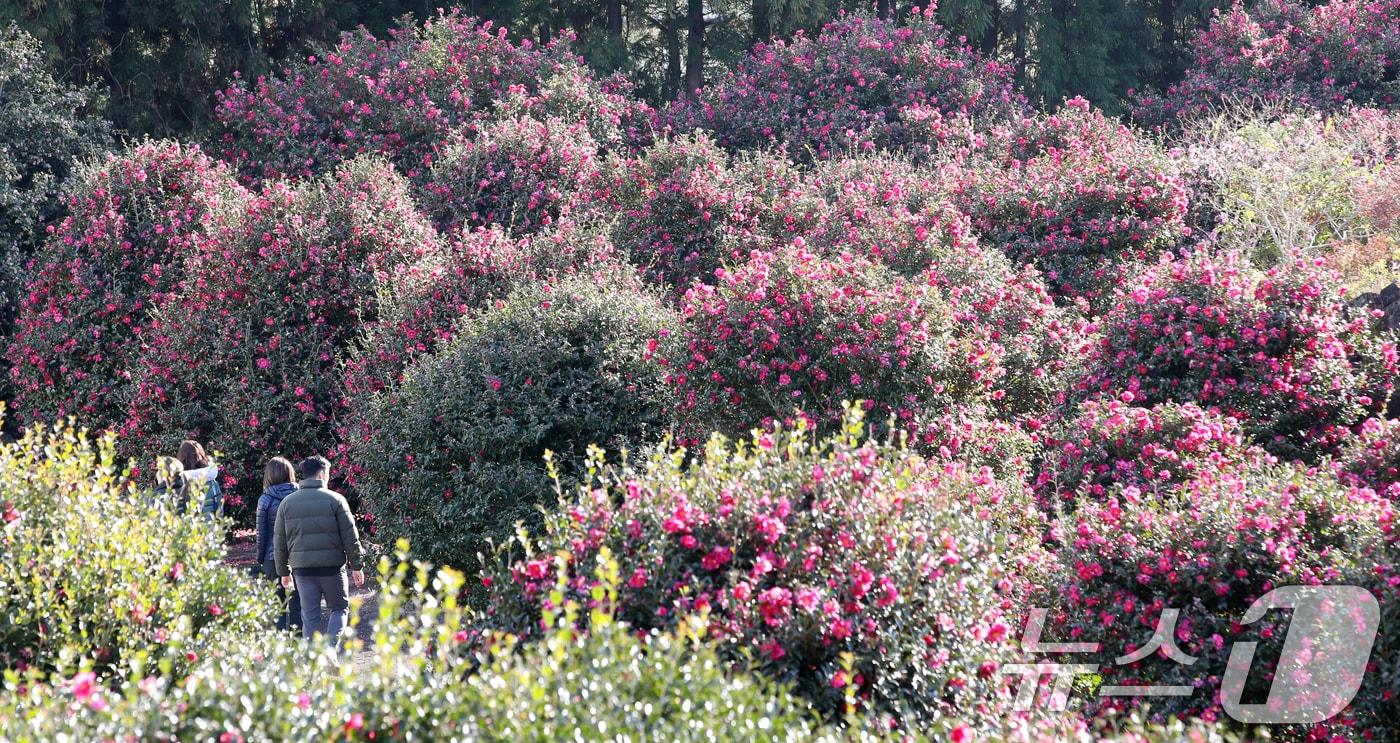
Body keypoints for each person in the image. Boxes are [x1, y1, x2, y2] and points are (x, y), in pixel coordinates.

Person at [273, 456, 366, 645]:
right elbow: (350, 537)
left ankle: (313, 663)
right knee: (340, 608)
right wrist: (357, 566)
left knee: (310, 616)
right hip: (332, 568)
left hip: (302, 570)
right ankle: (330, 649)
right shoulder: (336, 500)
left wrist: (283, 571)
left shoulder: (287, 503)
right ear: (322, 473)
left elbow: (280, 542)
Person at [255, 457, 301, 632]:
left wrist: (260, 558)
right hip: (297, 555)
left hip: (271, 556)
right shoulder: (298, 495)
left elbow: (261, 533)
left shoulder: (265, 499)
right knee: (297, 603)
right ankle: (298, 642)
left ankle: (279, 646)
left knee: (277, 604)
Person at [176, 440, 223, 518]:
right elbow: (219, 510)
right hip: (210, 527)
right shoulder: (212, 482)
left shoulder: (179, 482)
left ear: (182, 456)